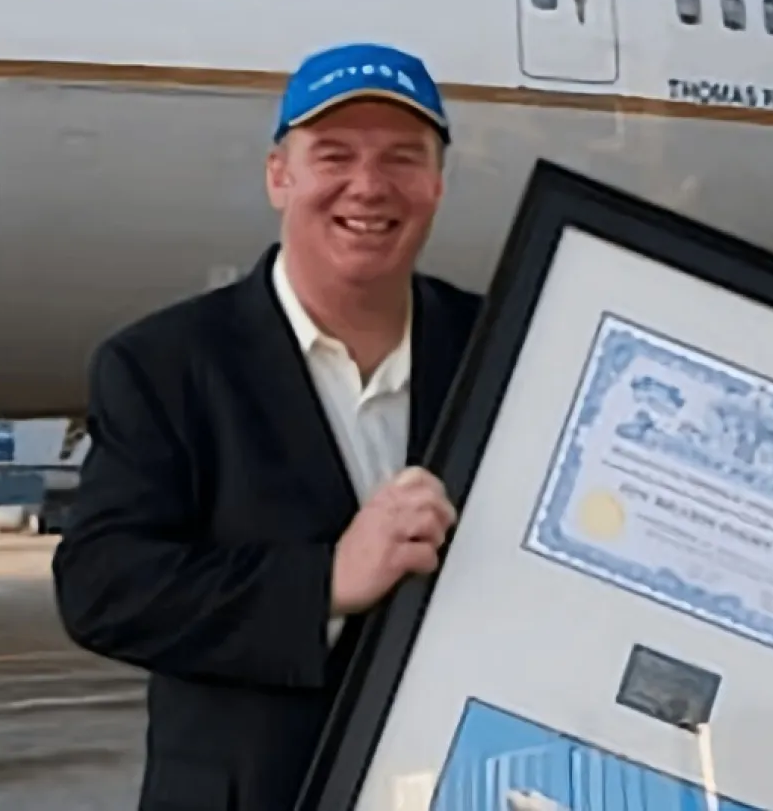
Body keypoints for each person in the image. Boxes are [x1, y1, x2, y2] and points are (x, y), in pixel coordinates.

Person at [52, 42, 483, 811]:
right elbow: (103, 587)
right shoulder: (165, 364)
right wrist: (324, 583)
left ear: (437, 184)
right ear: (279, 176)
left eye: (402, 157)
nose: (369, 185)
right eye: (334, 155)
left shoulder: (500, 345)